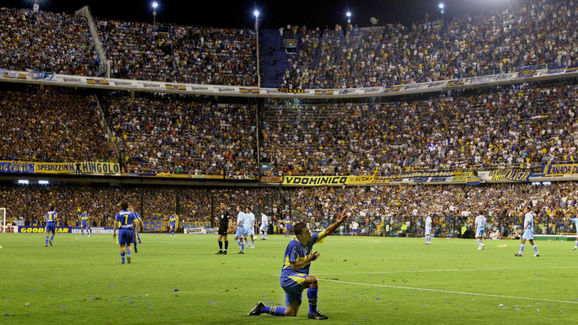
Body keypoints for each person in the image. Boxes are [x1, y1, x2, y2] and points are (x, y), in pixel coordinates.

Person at [249, 206, 349, 320]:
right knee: (313, 280)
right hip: (289, 277)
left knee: (290, 312)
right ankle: (312, 313)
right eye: (306, 232)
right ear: (299, 236)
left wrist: (339, 222)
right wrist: (309, 259)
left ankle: (262, 309)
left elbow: (326, 231)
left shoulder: (310, 239)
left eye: (309, 230)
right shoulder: (294, 245)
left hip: (298, 278)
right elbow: (293, 266)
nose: (310, 233)